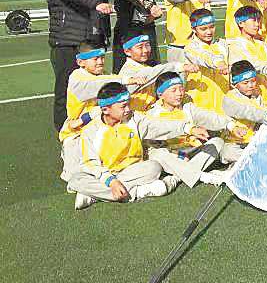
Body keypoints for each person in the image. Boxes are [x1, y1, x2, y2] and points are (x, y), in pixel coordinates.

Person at [68, 82, 189, 210]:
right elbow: (91, 163)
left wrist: (187, 128)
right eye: (123, 106)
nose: (128, 109)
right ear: (105, 110)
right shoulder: (90, 131)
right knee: (75, 180)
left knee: (154, 167)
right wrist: (112, 181)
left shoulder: (135, 119)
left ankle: (97, 195)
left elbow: (160, 126)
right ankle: (138, 192)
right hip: (105, 175)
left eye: (128, 104)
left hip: (133, 170)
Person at [45, 0, 113, 131]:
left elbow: (103, 0)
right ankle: (64, 133)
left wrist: (105, 32)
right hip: (67, 39)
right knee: (66, 89)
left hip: (93, 39)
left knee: (95, 86)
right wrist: (96, 4)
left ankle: (93, 130)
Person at [58, 41, 144, 182]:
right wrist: (126, 79)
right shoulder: (77, 78)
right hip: (77, 132)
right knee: (73, 177)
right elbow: (97, 84)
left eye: (102, 57)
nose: (100, 62)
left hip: (101, 127)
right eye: (95, 59)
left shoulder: (105, 74)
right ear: (81, 62)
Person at [146, 72, 247, 187]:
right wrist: (178, 155)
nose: (179, 93)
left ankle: (178, 177)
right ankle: (204, 176)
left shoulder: (187, 108)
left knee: (217, 142)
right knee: (157, 154)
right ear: (160, 94)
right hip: (172, 155)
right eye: (173, 90)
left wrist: (231, 126)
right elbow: (153, 144)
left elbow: (208, 117)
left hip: (191, 152)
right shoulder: (152, 115)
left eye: (181, 89)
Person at [220, 60, 267, 164]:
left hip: (254, 139)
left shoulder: (256, 94)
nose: (251, 85)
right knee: (228, 152)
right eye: (245, 83)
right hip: (235, 142)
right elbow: (250, 111)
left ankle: (258, 157)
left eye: (253, 81)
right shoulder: (230, 99)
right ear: (235, 84)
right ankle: (261, 159)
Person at [117, 32, 198, 113]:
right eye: (140, 47)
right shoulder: (127, 71)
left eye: (147, 45)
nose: (145, 50)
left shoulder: (145, 66)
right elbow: (150, 73)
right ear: (127, 51)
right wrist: (179, 66)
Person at [227, 6, 267, 104]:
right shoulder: (235, 46)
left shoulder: (263, 45)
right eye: (253, 21)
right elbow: (252, 65)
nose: (257, 24)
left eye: (258, 20)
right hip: (251, 102)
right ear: (241, 23)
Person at [183, 9, 230, 115]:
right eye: (203, 29)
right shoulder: (190, 47)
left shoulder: (222, 44)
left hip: (223, 99)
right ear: (193, 29)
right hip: (200, 103)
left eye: (212, 27)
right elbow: (204, 57)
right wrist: (219, 63)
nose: (209, 32)